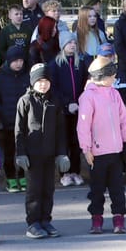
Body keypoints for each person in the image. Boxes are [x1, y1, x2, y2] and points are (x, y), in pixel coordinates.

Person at [77, 55, 126, 234]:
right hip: (97, 153)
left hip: (115, 151)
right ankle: (96, 220)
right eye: (111, 75)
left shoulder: (114, 94)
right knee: (97, 189)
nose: (114, 78)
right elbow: (83, 125)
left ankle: (119, 219)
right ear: (101, 76)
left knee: (118, 189)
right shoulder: (88, 96)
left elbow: (124, 119)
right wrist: (86, 149)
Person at [15, 64, 66, 239]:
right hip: (32, 155)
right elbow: (19, 130)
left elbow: (60, 130)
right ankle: (33, 223)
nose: (43, 84)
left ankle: (45, 220)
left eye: (46, 81)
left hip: (49, 154)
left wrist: (61, 153)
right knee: (34, 190)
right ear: (32, 82)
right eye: (39, 81)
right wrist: (20, 153)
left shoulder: (55, 101)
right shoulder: (25, 101)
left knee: (48, 189)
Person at [48, 33, 89, 187]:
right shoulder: (55, 65)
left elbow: (85, 85)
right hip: (62, 111)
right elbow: (54, 89)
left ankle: (76, 172)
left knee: (76, 142)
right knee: (63, 143)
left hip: (78, 109)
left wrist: (79, 102)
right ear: (62, 45)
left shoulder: (80, 63)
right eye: (69, 42)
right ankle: (64, 173)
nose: (72, 45)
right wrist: (67, 103)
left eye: (74, 42)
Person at [0, 46, 30, 193]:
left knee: (24, 151)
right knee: (9, 152)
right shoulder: (1, 78)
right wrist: (1, 113)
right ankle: (11, 178)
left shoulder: (27, 76)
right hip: (8, 123)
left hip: (25, 122)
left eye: (21, 60)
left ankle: (23, 176)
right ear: (9, 61)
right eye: (15, 61)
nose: (18, 64)